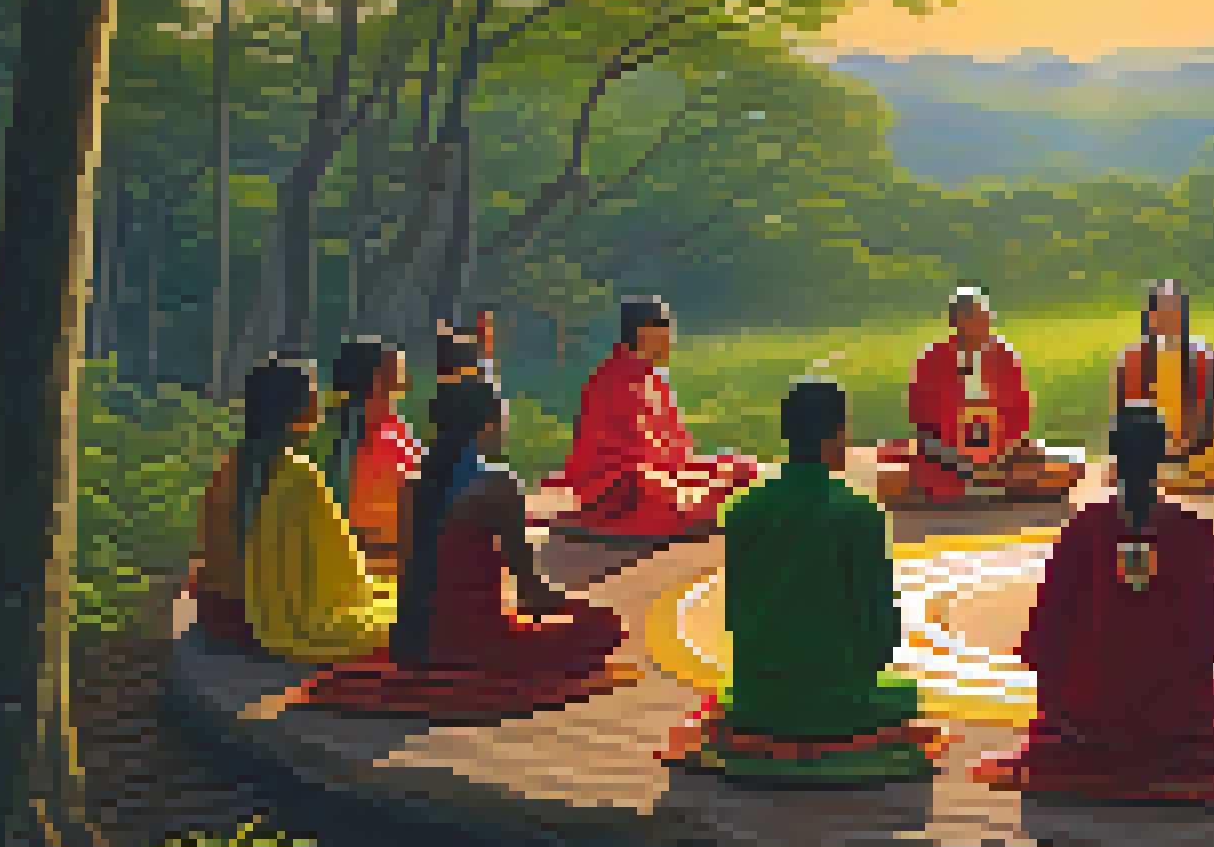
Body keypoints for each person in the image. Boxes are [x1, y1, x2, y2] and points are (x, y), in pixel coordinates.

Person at [969, 404, 1214, 807]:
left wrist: (1066, 701)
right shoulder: (1194, 531)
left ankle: (1090, 741)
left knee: (1065, 728)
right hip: (1173, 717)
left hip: (1088, 719)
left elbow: (1046, 633)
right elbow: (1212, 639)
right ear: (1163, 455)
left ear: (1113, 454)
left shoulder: (1084, 527)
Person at [660, 380, 948, 782]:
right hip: (839, 700)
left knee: (725, 701)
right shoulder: (858, 511)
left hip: (755, 701)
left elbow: (735, 613)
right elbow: (879, 633)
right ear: (836, 436)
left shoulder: (743, 508)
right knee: (907, 697)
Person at [297, 376, 636, 716]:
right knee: (604, 624)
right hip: (476, 643)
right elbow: (532, 594)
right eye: (501, 422)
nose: (503, 432)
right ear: (485, 426)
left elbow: (410, 573)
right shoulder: (497, 485)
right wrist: (575, 605)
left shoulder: (412, 483)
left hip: (413, 642)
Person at [190, 355, 399, 663]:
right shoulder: (299, 474)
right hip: (256, 622)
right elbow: (340, 571)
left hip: (217, 612)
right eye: (314, 395)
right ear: (299, 408)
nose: (321, 403)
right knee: (396, 612)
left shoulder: (229, 464)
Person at [544, 297, 761, 540]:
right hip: (622, 493)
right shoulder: (615, 381)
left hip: (665, 478)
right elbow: (632, 469)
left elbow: (677, 452)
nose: (672, 341)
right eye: (667, 332)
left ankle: (698, 499)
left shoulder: (650, 377)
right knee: (695, 506)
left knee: (743, 466)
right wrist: (687, 486)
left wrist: (698, 475)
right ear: (646, 334)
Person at [873, 287, 1085, 506]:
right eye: (967, 318)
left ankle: (980, 488)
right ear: (954, 322)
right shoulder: (932, 360)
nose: (974, 326)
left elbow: (1021, 414)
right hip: (947, 461)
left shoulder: (1003, 356)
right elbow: (920, 418)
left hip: (1002, 458)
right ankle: (992, 489)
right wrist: (958, 452)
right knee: (890, 480)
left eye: (979, 318)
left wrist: (999, 450)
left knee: (1072, 464)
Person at [1109, 280, 1214, 493]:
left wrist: (1199, 440)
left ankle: (1183, 474)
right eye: (1163, 311)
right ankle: (1170, 477)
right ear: (1150, 317)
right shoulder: (1133, 359)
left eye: (1175, 310)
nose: (1170, 317)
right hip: (1152, 452)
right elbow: (1127, 421)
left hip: (1197, 450)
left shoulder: (1204, 358)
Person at [312, 336, 419, 578]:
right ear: (374, 380)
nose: (406, 383)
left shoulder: (399, 430)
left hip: (396, 562)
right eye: (397, 376)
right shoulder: (331, 436)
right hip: (350, 566)